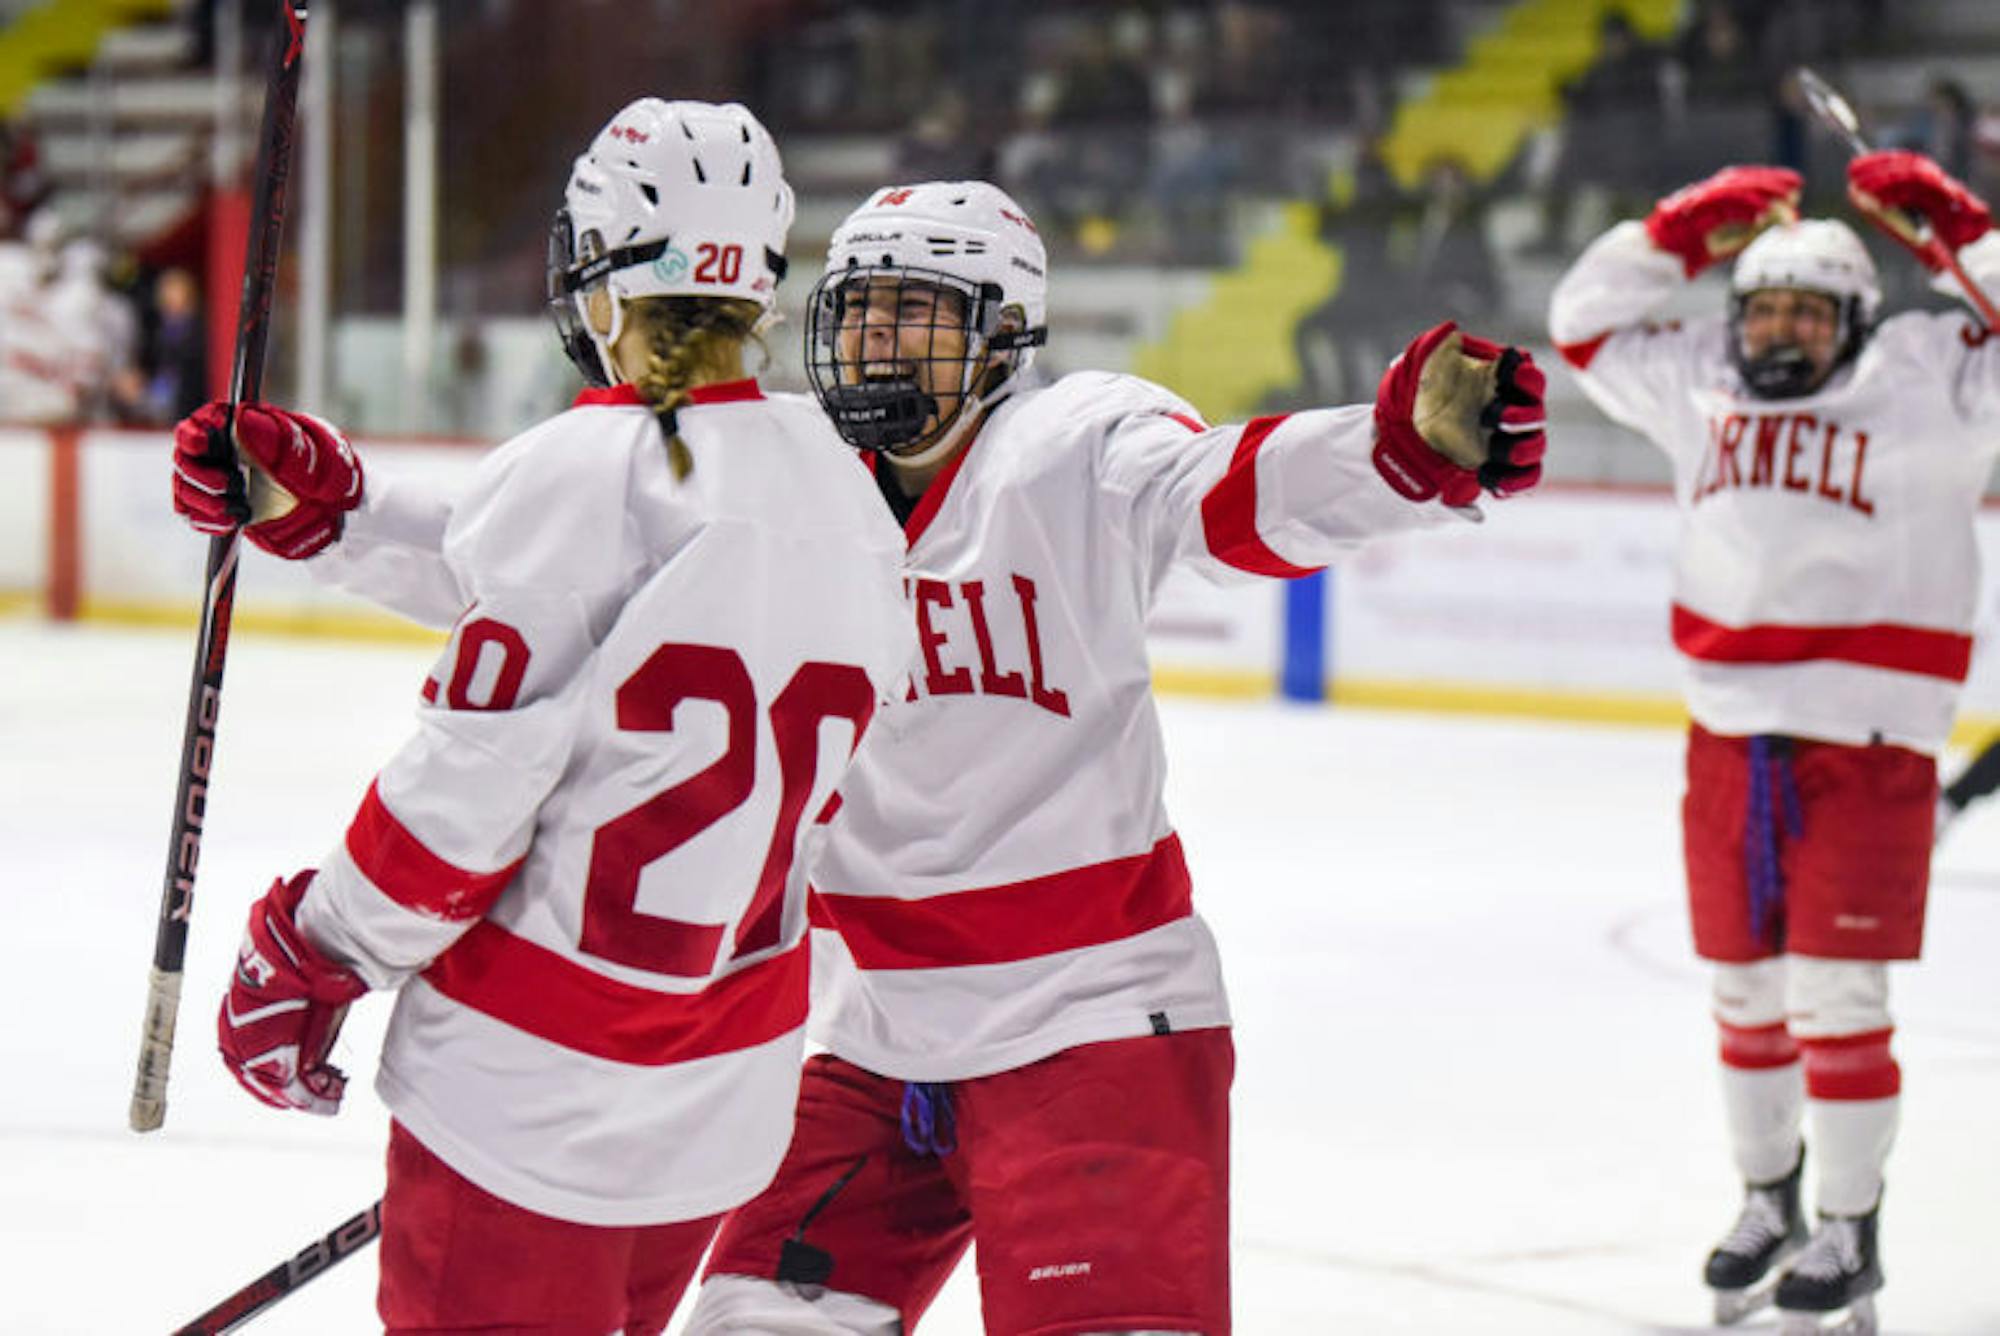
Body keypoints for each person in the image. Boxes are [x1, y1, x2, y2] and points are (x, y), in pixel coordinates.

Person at [179, 178, 1548, 1333]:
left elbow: (1233, 491)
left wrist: (1403, 452)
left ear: (1004, 338)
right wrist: (328, 511)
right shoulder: (788, 479)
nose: (881, 341)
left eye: (922, 313)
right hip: (864, 1041)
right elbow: (545, 569)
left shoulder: (1072, 450)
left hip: (1090, 1028)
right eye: (863, 307)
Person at [172, 98, 911, 1334]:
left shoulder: (583, 471)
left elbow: (462, 798)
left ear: (603, 273)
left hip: (525, 1098)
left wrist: (317, 947)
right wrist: (336, 514)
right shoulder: (840, 492)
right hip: (712, 1104)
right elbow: (608, 623)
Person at [1549, 151, 2000, 1332]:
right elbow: (1580, 319)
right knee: (1742, 992)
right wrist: (1678, 229)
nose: (1779, 327)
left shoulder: (1932, 376)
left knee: (1835, 992)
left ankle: (1850, 1225)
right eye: (1761, 306)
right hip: (1726, 742)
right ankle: (1768, 1197)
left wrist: (1956, 231)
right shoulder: (1700, 374)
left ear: (1856, 318)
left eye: (1807, 308)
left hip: (1867, 742)